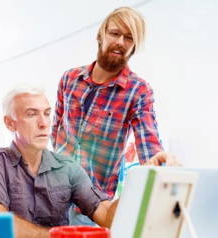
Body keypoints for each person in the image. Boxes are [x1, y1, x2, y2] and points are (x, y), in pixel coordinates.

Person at [51, 7, 178, 225]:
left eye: (129, 38)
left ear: (134, 47)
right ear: (100, 35)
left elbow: (149, 146)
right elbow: (56, 132)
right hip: (53, 200)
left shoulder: (138, 91)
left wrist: (159, 164)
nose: (120, 41)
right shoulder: (69, 79)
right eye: (115, 33)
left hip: (92, 210)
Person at [0, 87, 118, 238]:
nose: (44, 123)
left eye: (46, 113)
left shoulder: (68, 166)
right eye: (31, 114)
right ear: (10, 123)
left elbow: (106, 216)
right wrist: (61, 235)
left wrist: (138, 181)